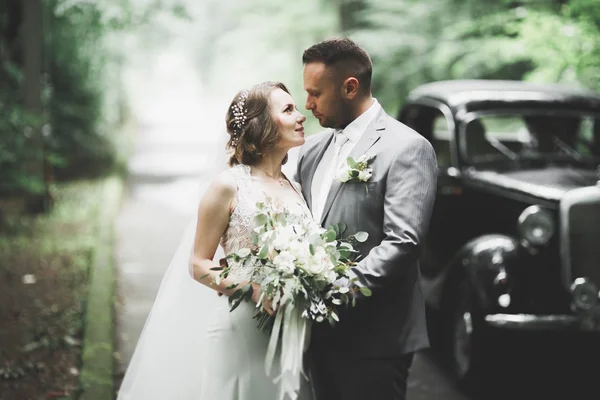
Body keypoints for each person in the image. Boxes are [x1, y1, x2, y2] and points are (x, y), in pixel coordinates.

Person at [116, 81, 313, 400]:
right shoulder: (228, 186)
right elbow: (197, 264)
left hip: (288, 331)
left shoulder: (296, 188)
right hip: (243, 329)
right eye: (288, 110)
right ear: (261, 124)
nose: (301, 115)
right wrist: (253, 288)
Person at [295, 37, 438, 400]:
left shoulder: (406, 147)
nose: (307, 105)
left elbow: (403, 241)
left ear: (350, 87)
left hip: (376, 339)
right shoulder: (312, 148)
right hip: (316, 335)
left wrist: (336, 291)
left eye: (316, 94)